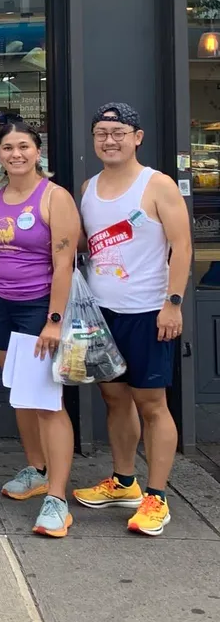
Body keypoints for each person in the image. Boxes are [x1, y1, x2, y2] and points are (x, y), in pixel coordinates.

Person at [73, 104, 191, 536]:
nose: (110, 140)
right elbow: (84, 244)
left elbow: (183, 246)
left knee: (153, 404)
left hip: (147, 312)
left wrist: (172, 303)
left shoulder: (157, 184)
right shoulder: (88, 188)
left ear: (137, 137)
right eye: (101, 133)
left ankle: (156, 497)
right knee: (115, 399)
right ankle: (124, 482)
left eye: (118, 132)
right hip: (101, 313)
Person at [0, 121, 81, 537]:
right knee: (21, 395)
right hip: (2, 307)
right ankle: (37, 470)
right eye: (7, 147)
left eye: (24, 146)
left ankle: (57, 498)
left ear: (38, 152)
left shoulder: (55, 197)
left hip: (39, 308)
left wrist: (54, 320)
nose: (16, 154)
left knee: (47, 403)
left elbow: (64, 263)